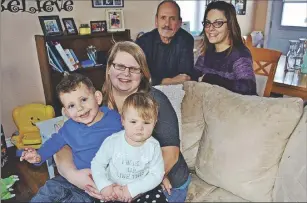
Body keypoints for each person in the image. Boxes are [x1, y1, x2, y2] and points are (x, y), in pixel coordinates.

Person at [54, 41, 191, 203]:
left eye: (134, 69)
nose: (126, 73)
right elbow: (63, 145)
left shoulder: (154, 101)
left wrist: (128, 189)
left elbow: (171, 154)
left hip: (165, 182)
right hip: (113, 182)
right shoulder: (94, 103)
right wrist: (73, 175)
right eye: (119, 66)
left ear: (143, 73)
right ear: (109, 68)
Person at [21, 73, 123, 202]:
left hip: (100, 185)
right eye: (71, 106)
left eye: (83, 100)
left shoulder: (116, 120)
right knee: (48, 190)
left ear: (97, 97)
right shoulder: (69, 127)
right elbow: (53, 143)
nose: (80, 108)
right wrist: (38, 155)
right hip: (72, 180)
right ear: (66, 112)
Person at [91, 92, 165, 203]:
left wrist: (133, 189)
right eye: (133, 121)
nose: (139, 127)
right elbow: (97, 164)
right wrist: (104, 186)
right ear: (123, 120)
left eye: (146, 122)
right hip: (113, 190)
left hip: (141, 190)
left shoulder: (153, 146)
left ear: (155, 123)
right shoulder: (112, 142)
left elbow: (157, 174)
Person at [194, 1, 257, 95]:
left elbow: (248, 88)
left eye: (218, 23)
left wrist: (209, 78)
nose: (211, 28)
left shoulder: (240, 54)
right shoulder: (206, 53)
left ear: (230, 26)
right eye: (208, 23)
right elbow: (193, 77)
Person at [136, 0, 201, 85]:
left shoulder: (186, 39)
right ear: (156, 21)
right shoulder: (143, 41)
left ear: (179, 23)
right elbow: (138, 76)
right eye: (163, 18)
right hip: (149, 90)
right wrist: (168, 81)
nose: (167, 24)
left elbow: (185, 76)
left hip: (177, 90)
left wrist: (154, 80)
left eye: (172, 19)